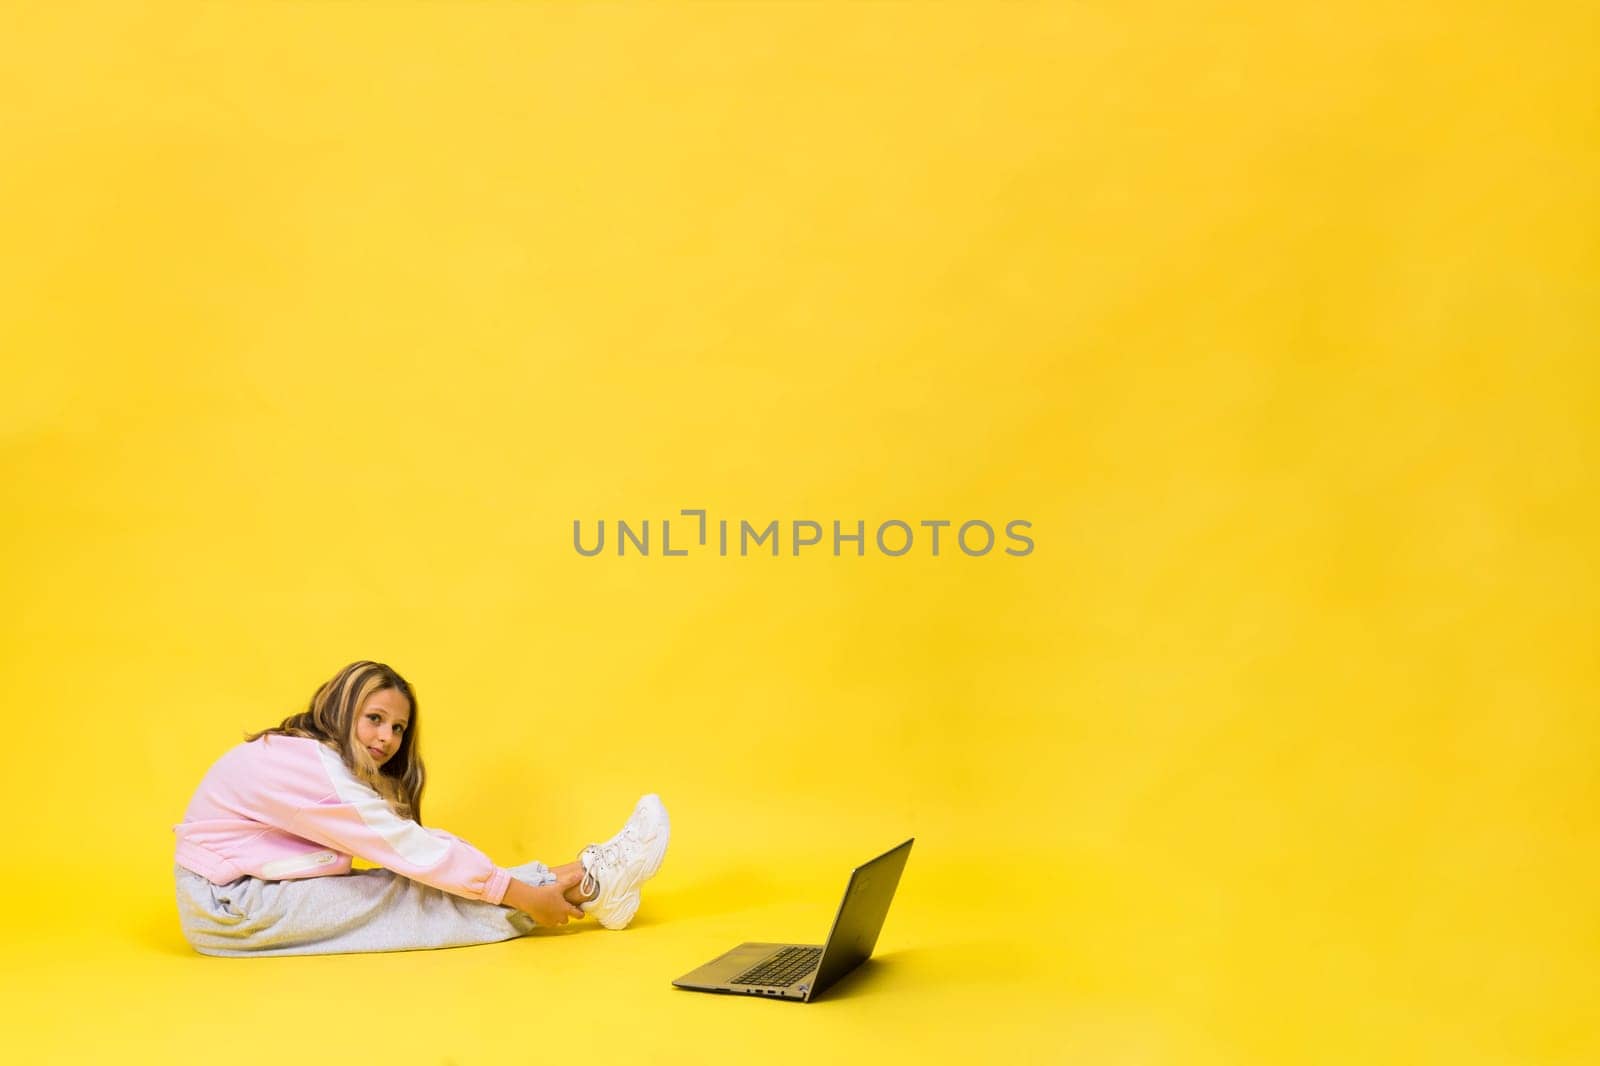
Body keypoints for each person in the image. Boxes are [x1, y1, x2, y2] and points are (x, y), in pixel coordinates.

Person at [172, 660, 669, 957]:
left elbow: (412, 850)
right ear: (341, 708)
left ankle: (585, 880)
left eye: (398, 728)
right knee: (404, 900)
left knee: (405, 888)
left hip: (238, 896)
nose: (387, 738)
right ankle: (586, 884)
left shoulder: (308, 758)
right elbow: (412, 849)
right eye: (374, 719)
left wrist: (514, 886)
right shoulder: (312, 769)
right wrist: (519, 894)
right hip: (227, 907)